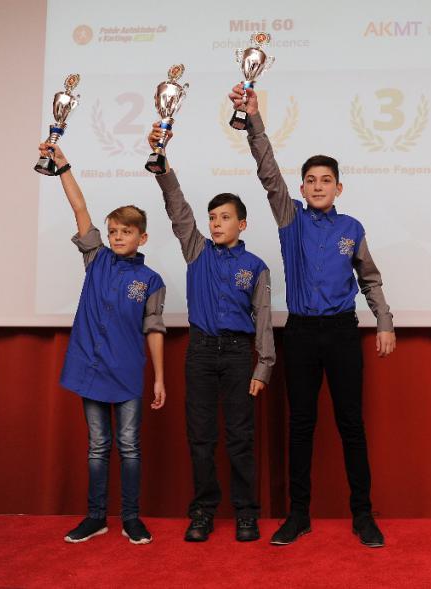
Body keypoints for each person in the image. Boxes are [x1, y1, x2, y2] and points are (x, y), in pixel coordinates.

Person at [228, 84, 397, 548]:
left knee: (351, 425)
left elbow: (370, 279)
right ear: (301, 188)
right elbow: (267, 171)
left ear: (338, 188)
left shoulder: (352, 228)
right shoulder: (291, 219)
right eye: (310, 180)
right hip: (301, 334)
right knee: (301, 425)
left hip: (342, 333)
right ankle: (298, 515)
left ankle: (363, 515)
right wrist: (254, 119)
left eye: (326, 180)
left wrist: (384, 320)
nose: (318, 186)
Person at [147, 125, 276, 543]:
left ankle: (246, 513)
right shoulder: (196, 250)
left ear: (242, 223)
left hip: (239, 355)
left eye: (225, 218)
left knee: (240, 437)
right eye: (212, 218)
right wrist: (163, 166)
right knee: (200, 437)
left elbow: (262, 318)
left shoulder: (255, 267)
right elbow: (177, 207)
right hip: (201, 352)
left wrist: (263, 366)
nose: (217, 224)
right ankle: (202, 511)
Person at [42, 143, 167, 545]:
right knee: (98, 446)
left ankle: (131, 518)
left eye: (125, 232)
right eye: (113, 231)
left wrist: (159, 378)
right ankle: (95, 517)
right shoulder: (95, 258)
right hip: (90, 368)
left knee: (129, 447)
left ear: (142, 237)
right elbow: (80, 209)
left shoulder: (151, 281)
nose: (116, 237)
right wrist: (64, 167)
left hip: (127, 372)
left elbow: (154, 329)